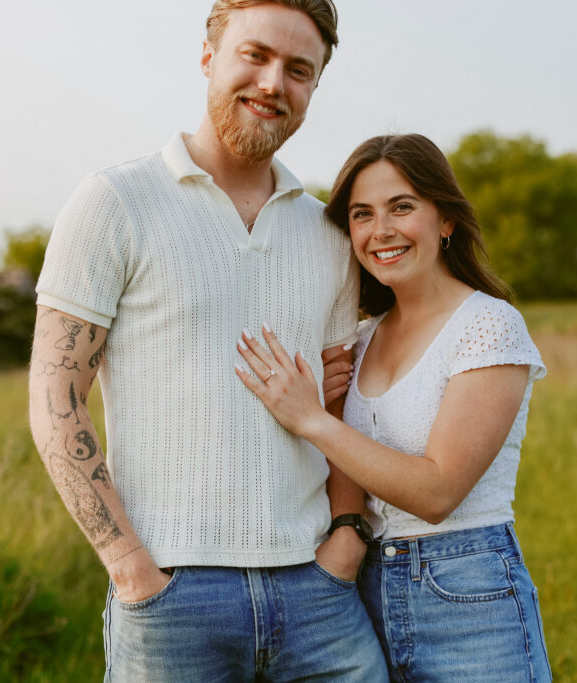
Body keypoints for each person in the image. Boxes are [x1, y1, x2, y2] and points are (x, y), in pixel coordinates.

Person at [28, 1, 387, 680]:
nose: (274, 82)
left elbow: (342, 404)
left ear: (313, 88)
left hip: (319, 594)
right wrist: (131, 568)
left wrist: (347, 539)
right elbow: (55, 397)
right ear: (208, 58)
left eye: (298, 69)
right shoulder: (114, 202)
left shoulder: (331, 233)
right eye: (255, 55)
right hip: (171, 597)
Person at [236, 133, 553, 681]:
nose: (380, 231)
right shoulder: (363, 337)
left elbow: (436, 493)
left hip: (468, 593)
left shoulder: (489, 326)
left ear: (445, 220)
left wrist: (311, 419)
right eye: (362, 214)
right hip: (367, 591)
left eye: (401, 207)